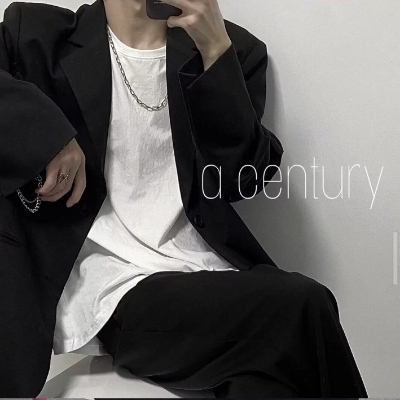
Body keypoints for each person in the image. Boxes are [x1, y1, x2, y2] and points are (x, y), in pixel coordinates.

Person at [0, 0, 368, 397]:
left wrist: (215, 50)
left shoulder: (235, 49)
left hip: (211, 281)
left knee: (270, 383)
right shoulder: (38, 36)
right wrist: (48, 136)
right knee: (303, 305)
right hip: (114, 291)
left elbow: (243, 181)